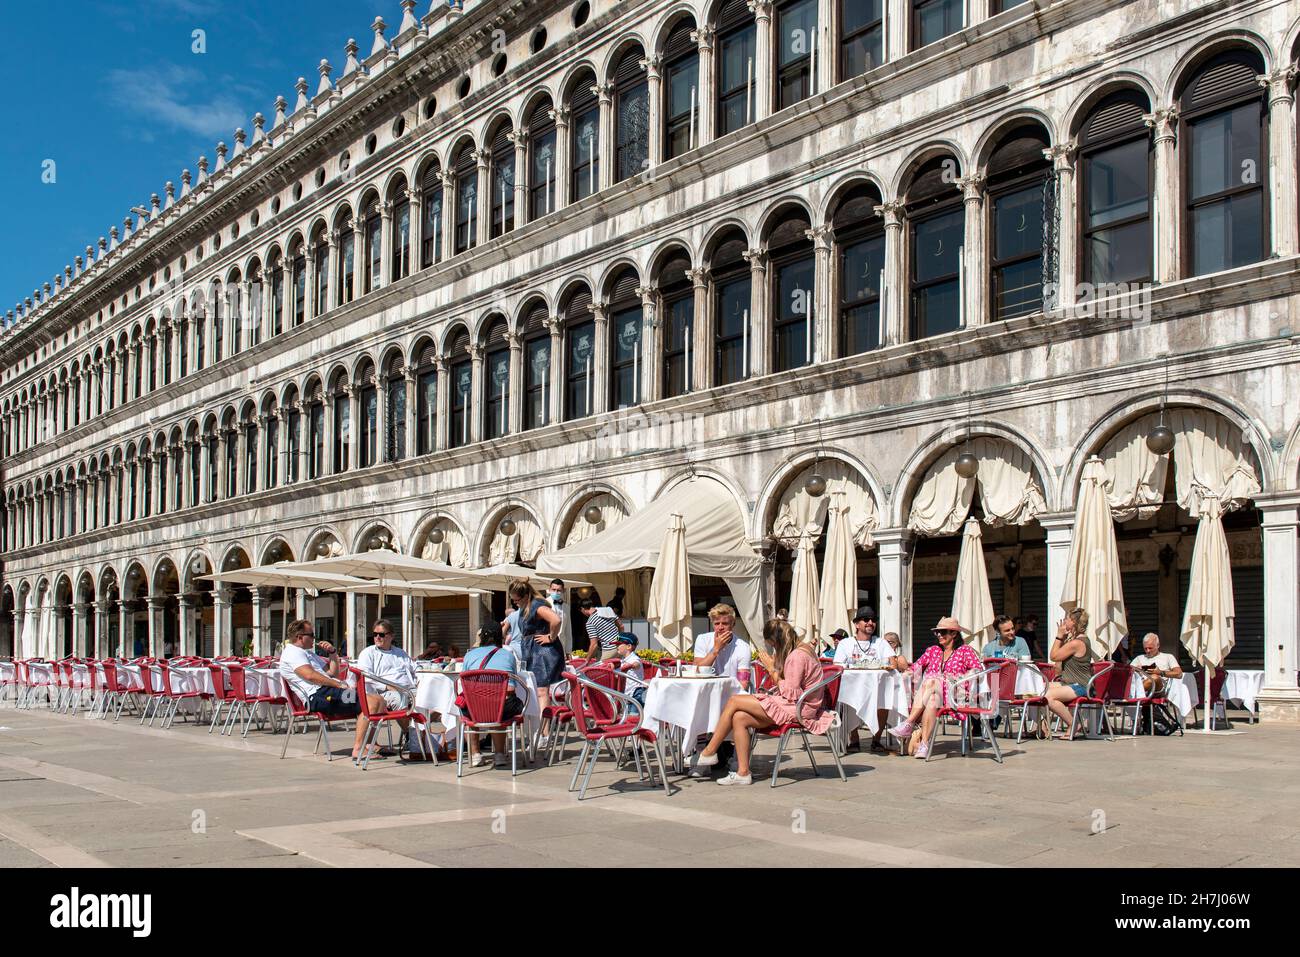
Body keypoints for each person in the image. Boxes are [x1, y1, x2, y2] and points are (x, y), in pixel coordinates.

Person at [689, 619, 833, 786]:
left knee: (734, 700)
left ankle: (709, 751)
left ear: (777, 641)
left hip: (798, 708)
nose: (773, 648)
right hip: (797, 705)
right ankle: (743, 773)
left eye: (772, 644)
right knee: (740, 717)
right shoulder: (803, 649)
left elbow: (791, 692)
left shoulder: (797, 656)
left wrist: (772, 669)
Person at [886, 617, 982, 759]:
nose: (939, 635)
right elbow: (916, 668)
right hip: (933, 694)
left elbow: (977, 670)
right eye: (937, 633)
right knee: (932, 699)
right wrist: (902, 671)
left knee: (931, 681)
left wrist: (955, 679)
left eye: (943, 632)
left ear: (954, 634)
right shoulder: (933, 651)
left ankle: (908, 723)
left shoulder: (965, 651)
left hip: (956, 694)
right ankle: (924, 745)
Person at [278, 619, 374, 762]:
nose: (315, 638)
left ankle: (371, 745)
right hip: (320, 696)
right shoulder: (293, 653)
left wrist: (332, 653)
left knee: (378, 701)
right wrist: (339, 685)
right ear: (300, 637)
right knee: (370, 703)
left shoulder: (308, 653)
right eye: (312, 635)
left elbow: (332, 673)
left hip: (329, 692)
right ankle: (359, 748)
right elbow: (310, 676)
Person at [462, 620, 526, 768]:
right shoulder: (508, 655)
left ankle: (476, 754)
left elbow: (464, 685)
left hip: (475, 708)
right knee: (502, 704)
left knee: (471, 705)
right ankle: (499, 754)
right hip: (500, 709)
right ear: (500, 636)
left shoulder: (469, 655)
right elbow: (510, 689)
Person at [507, 578, 563, 738]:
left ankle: (544, 734)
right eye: (513, 599)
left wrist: (551, 637)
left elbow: (556, 620)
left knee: (541, 691)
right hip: (534, 651)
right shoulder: (528, 606)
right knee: (538, 691)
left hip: (542, 652)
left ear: (526, 596)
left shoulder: (537, 605)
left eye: (517, 599)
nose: (515, 602)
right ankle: (541, 732)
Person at [355, 620, 418, 747]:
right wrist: (387, 686)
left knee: (435, 697)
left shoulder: (400, 653)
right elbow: (365, 676)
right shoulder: (368, 653)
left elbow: (415, 668)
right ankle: (412, 735)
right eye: (375, 634)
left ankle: (438, 737)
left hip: (409, 688)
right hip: (383, 692)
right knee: (400, 698)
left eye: (382, 635)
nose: (377, 637)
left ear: (391, 636)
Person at [1042, 608, 1095, 739]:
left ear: (1074, 622)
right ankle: (1043, 728)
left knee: (1048, 697)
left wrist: (1059, 636)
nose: (1064, 621)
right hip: (1069, 682)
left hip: (1081, 685)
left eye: (1067, 619)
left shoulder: (1077, 643)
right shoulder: (1074, 640)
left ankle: (1073, 724)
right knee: (1038, 690)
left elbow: (1054, 656)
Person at [692, 604, 753, 683]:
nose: (720, 627)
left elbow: (743, 682)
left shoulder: (743, 647)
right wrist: (715, 650)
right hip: (706, 689)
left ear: (733, 624)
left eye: (725, 623)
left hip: (731, 691)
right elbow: (696, 670)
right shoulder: (703, 639)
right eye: (717, 624)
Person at [611, 633, 646, 707]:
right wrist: (612, 667)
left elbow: (637, 664)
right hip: (627, 694)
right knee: (628, 714)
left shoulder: (633, 658)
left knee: (635, 715)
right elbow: (619, 673)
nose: (616, 647)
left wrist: (632, 665)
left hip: (635, 693)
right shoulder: (623, 660)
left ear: (629, 646)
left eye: (618, 645)